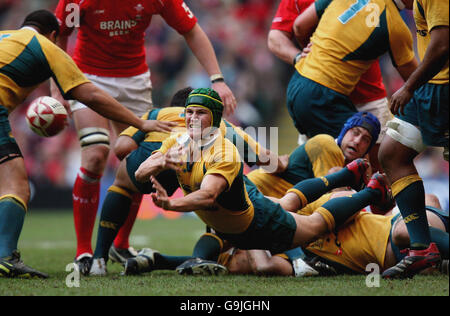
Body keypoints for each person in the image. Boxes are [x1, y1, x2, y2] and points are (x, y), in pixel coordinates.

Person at [52, 0, 237, 268]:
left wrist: (217, 78)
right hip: (87, 76)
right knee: (94, 156)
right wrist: (58, 86)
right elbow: (60, 35)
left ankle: (121, 244)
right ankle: (84, 251)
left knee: (138, 160)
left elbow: (192, 30)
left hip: (134, 81)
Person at [0, 10, 174, 278]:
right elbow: (91, 94)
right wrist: (141, 124)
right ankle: (5, 257)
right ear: (54, 35)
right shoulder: (47, 47)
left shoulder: (5, 38)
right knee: (16, 186)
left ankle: (118, 245)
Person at [133, 88, 392, 268]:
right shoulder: (177, 142)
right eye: (189, 112)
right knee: (283, 209)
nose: (191, 119)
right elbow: (139, 173)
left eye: (200, 113)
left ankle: (372, 192)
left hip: (255, 217)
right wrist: (161, 161)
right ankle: (188, 262)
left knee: (310, 226)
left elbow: (209, 194)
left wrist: (172, 204)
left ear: (214, 118)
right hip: (243, 205)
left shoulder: (225, 150)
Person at [88, 87, 286, 276]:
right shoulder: (220, 125)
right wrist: (283, 164)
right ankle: (209, 252)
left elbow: (122, 148)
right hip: (199, 171)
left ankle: (99, 259)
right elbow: (264, 158)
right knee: (224, 186)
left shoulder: (156, 114)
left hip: (156, 154)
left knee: (122, 184)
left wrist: (148, 166)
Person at [124, 191, 448, 277]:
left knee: (420, 213)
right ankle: (160, 260)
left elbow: (341, 196)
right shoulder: (296, 259)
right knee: (238, 267)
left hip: (393, 228)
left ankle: (435, 254)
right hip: (391, 249)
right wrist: (246, 236)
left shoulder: (308, 213)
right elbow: (262, 266)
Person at [268, 0, 390, 171]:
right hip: (323, 98)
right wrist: (298, 57)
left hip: (368, 96)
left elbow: (300, 27)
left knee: (376, 167)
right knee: (322, 164)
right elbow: (275, 37)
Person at [378, 0, 449, 279]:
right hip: (431, 89)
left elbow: (443, 45)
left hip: (444, 90)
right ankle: (422, 248)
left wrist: (408, 86)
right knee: (391, 153)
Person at [288, 0, 418, 151]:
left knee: (324, 160)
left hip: (297, 83)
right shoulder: (395, 26)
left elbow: (299, 26)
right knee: (359, 159)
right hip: (322, 96)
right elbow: (417, 80)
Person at [247, 111, 381, 200]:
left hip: (264, 199)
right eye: (355, 132)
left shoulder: (346, 164)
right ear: (344, 132)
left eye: (366, 140)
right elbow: (328, 200)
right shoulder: (327, 145)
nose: (357, 141)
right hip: (256, 191)